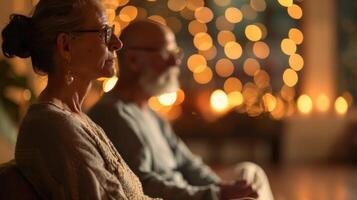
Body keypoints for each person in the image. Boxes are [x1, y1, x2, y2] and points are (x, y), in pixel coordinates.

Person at [89, 20, 274, 200]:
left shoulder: (151, 114)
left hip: (192, 193)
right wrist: (213, 195)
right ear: (133, 60)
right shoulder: (112, 115)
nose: (175, 62)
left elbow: (187, 163)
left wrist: (219, 187)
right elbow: (142, 185)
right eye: (167, 53)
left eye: (175, 53)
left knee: (249, 174)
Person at [1, 0, 157, 199]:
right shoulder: (52, 125)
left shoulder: (75, 117)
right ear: (66, 46)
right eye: (104, 33)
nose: (117, 43)